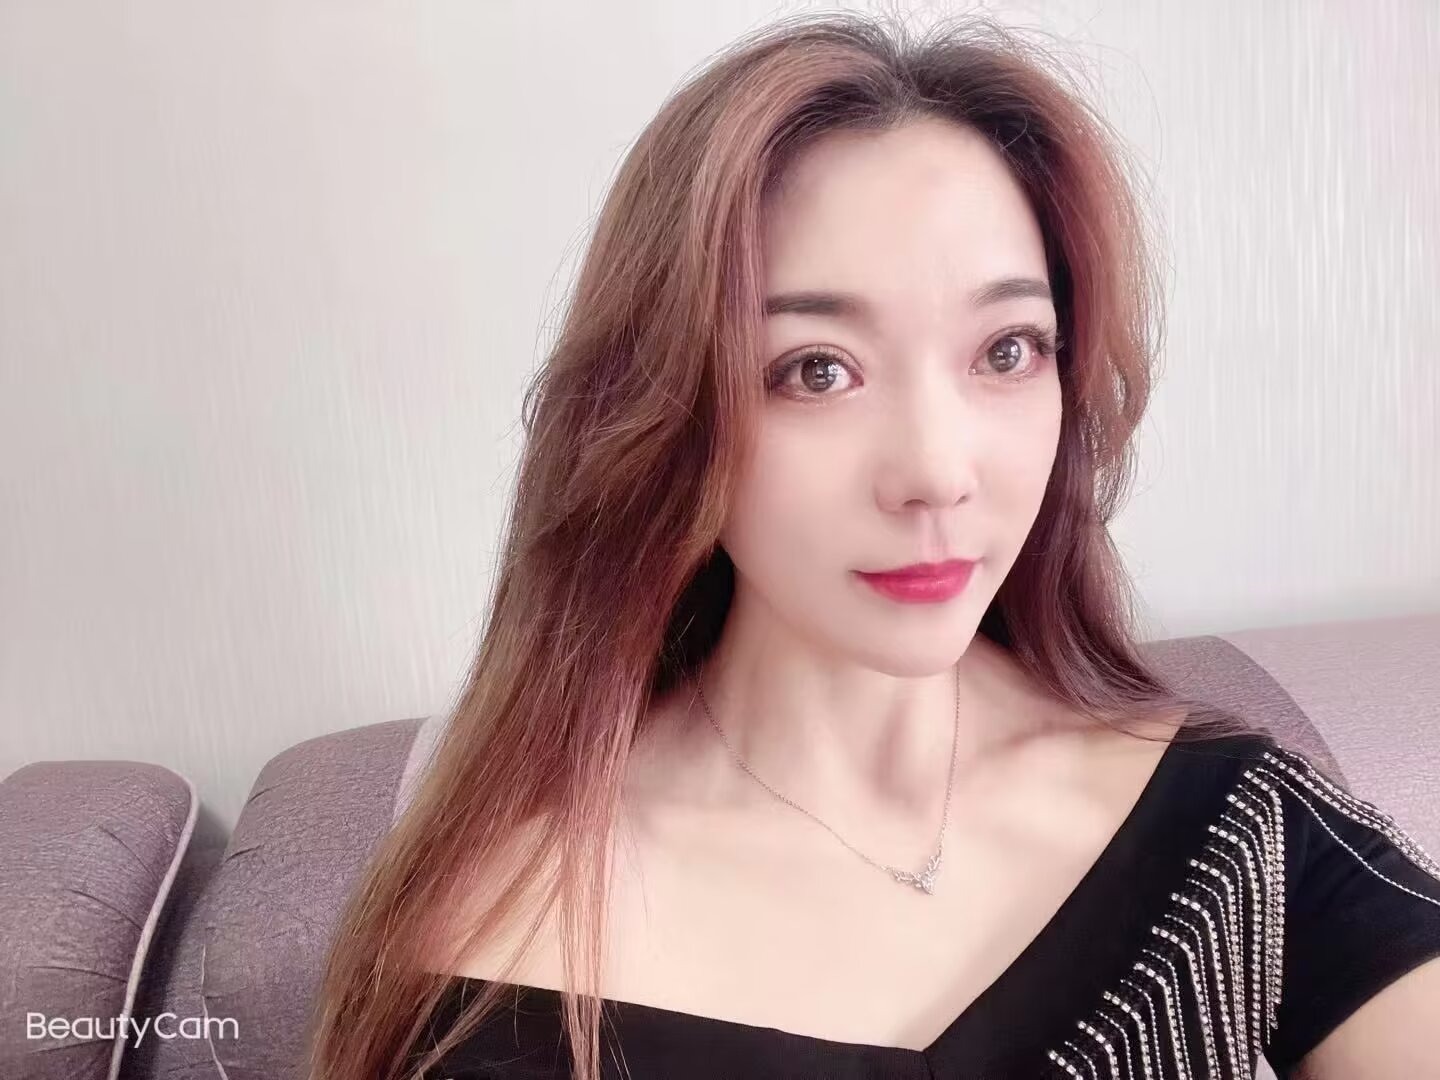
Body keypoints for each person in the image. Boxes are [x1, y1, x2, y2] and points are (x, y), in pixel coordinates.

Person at [304, 12, 1440, 1079]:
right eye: (817, 370)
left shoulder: (1227, 823)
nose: (937, 472)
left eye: (1006, 350)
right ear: (664, 414)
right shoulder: (502, 967)